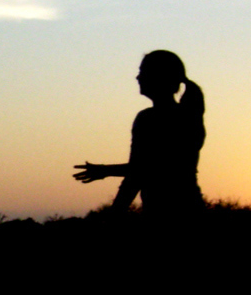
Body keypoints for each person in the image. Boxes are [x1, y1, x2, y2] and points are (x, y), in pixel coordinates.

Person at [73, 50, 205, 218]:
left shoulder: (151, 119)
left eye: (143, 72)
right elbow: (139, 172)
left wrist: (105, 173)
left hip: (171, 214)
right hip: (185, 209)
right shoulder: (184, 116)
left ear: (159, 77)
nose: (138, 78)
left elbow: (146, 170)